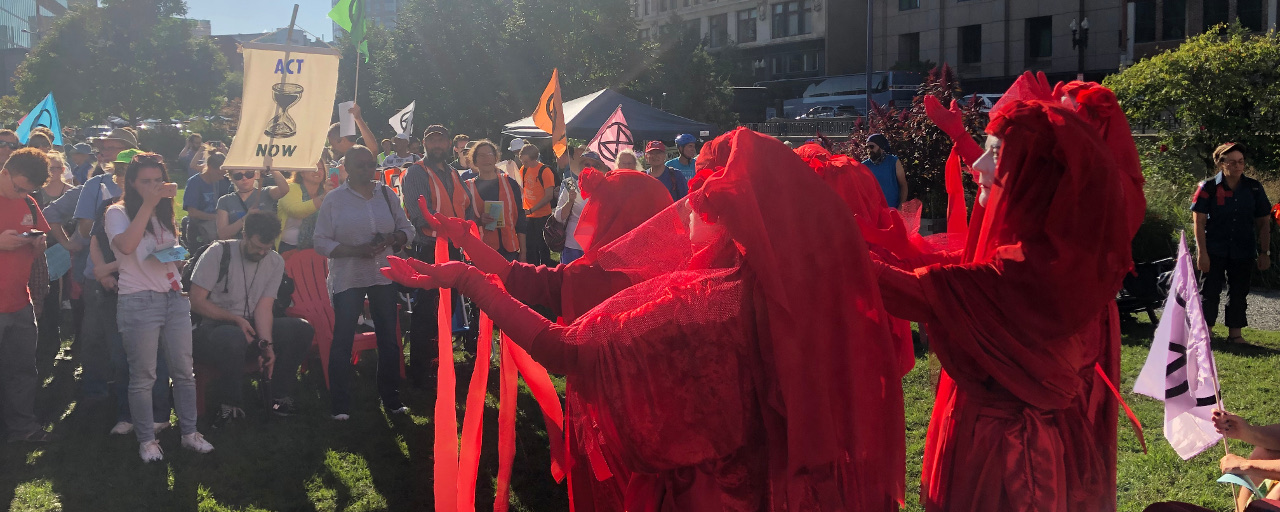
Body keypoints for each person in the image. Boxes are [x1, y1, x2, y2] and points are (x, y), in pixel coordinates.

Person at [385, 128, 906, 510]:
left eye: (703, 197)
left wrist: (467, 279)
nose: (686, 211)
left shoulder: (703, 303)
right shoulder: (796, 298)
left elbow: (564, 349)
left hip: (692, 490)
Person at [872, 96, 1143, 511]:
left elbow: (922, 293)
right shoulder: (1057, 255)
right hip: (1031, 445)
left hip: (1005, 462)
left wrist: (826, 237)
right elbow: (964, 275)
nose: (978, 165)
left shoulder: (1028, 272)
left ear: (1032, 172)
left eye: (995, 153)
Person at [105, 152, 213, 461]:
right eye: (145, 182)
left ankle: (190, 433)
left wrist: (176, 256)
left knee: (184, 372)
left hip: (173, 296)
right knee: (144, 376)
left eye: (157, 181)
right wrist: (149, 205)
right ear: (132, 183)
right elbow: (125, 246)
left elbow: (169, 253)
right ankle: (146, 440)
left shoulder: (165, 213)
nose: (153, 187)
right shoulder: (117, 212)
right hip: (138, 300)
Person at [313, 145, 413, 420]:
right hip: (348, 276)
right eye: (361, 165)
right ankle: (341, 405)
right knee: (343, 339)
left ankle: (391, 399)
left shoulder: (386, 193)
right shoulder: (334, 200)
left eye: (371, 164)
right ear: (346, 166)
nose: (368, 170)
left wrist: (392, 240)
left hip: (383, 274)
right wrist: (355, 250)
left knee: (389, 339)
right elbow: (320, 242)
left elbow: (408, 229)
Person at [190, 212, 313, 427]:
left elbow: (264, 308)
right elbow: (196, 301)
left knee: (301, 329)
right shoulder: (218, 252)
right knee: (233, 336)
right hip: (211, 330)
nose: (262, 253)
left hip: (250, 327)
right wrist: (235, 320)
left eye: (267, 248)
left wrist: (268, 346)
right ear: (245, 235)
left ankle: (277, 397)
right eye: (257, 247)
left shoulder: (274, 261)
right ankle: (231, 406)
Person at [401, 123, 472, 387]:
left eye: (441, 140)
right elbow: (419, 215)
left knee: (447, 308)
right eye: (432, 141)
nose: (437, 145)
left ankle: (439, 363)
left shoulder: (454, 172)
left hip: (454, 248)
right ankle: (421, 371)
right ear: (424, 144)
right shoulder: (415, 173)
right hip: (430, 249)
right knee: (427, 311)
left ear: (449, 143)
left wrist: (475, 220)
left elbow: (465, 205)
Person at [1193, 142, 1273, 344]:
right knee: (1209, 291)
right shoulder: (1207, 187)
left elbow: (1264, 222)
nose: (1238, 166)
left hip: (1243, 249)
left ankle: (1235, 335)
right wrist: (1202, 252)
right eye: (1232, 162)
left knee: (1239, 292)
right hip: (1214, 248)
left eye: (1241, 162)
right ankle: (1206, 332)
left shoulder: (1254, 188)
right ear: (1221, 164)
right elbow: (1199, 221)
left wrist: (1264, 252)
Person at [0, 148, 54, 444]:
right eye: (18, 187)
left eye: (28, 191)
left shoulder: (29, 202)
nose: (21, 194)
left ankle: (22, 427)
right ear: (5, 170)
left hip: (20, 302)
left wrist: (38, 242)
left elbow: (40, 234)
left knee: (22, 370)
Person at [461, 140, 526, 261]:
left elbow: (520, 219)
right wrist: (479, 221)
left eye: (490, 155)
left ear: (496, 158)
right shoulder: (466, 188)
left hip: (509, 251)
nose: (487, 159)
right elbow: (462, 221)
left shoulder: (510, 183)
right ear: (474, 161)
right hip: (480, 252)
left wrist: (523, 253)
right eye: (482, 155)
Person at [554, 151, 605, 265]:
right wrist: (569, 201)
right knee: (569, 280)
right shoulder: (570, 184)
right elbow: (558, 217)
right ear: (581, 166)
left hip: (596, 244)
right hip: (573, 244)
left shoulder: (606, 187)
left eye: (595, 165)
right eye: (587, 164)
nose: (590, 168)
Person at [276, 163, 334, 253]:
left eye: (320, 168)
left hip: (318, 249)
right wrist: (322, 198)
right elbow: (296, 211)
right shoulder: (290, 188)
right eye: (313, 168)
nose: (317, 171)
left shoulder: (328, 191)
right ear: (301, 173)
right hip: (288, 248)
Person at [215, 168, 287, 239]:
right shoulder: (224, 200)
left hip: (264, 246)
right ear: (231, 178)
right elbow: (222, 234)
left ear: (255, 175)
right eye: (238, 176)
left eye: (249, 174)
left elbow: (284, 189)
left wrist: (272, 169)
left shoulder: (266, 192)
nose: (244, 178)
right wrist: (246, 217)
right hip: (238, 247)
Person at [182, 151, 232, 248]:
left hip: (215, 228)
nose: (222, 177)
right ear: (209, 167)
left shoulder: (220, 182)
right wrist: (217, 217)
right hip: (199, 230)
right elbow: (193, 212)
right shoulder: (195, 182)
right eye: (219, 173)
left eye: (224, 174)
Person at [518, 144, 557, 266]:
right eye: (522, 161)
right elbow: (519, 188)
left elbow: (548, 196)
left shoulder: (545, 171)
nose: (524, 163)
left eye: (526, 161)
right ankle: (532, 271)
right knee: (530, 247)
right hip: (528, 216)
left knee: (543, 248)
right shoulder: (523, 169)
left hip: (542, 216)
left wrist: (531, 210)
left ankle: (546, 271)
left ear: (534, 158)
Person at [861, 134, 908, 209]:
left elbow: (903, 185)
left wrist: (901, 205)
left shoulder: (893, 161)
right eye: (867, 147)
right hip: (873, 212)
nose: (869, 150)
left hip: (892, 211)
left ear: (881, 147)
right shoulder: (864, 166)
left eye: (872, 146)